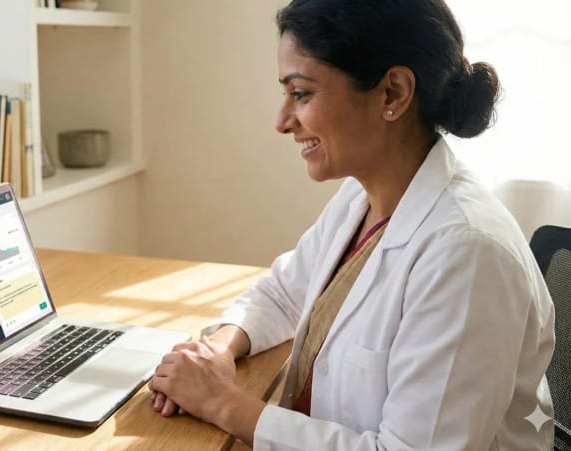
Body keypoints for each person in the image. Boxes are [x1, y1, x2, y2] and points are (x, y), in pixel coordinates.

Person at [148, 0, 556, 449]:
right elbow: (285, 292)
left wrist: (224, 404)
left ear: (393, 93)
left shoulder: (468, 252)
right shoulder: (365, 198)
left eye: (301, 93)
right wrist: (219, 351)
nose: (282, 121)